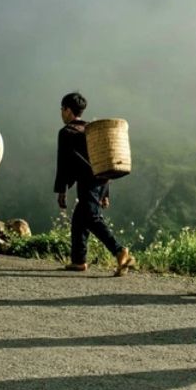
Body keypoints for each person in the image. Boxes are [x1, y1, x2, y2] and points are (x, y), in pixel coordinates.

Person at [55, 92, 135, 275]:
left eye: (62, 109)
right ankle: (78, 260)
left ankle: (120, 251)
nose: (61, 113)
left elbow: (64, 164)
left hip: (87, 181)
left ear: (67, 110)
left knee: (91, 217)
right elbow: (104, 160)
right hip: (102, 179)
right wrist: (105, 193)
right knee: (79, 219)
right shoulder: (91, 130)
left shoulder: (67, 132)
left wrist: (61, 191)